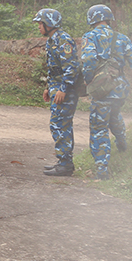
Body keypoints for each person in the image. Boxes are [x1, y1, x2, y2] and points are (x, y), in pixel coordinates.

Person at [81, 4, 132, 180]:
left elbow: (89, 59)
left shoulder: (90, 37)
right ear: (108, 19)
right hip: (119, 90)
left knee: (99, 128)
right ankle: (122, 144)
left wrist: (88, 79)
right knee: (114, 115)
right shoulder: (122, 38)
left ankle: (102, 170)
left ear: (92, 19)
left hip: (102, 90)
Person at [33, 9, 80, 177]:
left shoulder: (63, 39)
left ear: (49, 24)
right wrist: (48, 87)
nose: (39, 27)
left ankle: (65, 165)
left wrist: (63, 89)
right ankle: (63, 162)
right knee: (58, 125)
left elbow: (71, 68)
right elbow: (54, 68)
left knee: (60, 125)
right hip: (56, 87)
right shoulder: (52, 41)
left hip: (65, 90)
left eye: (40, 23)